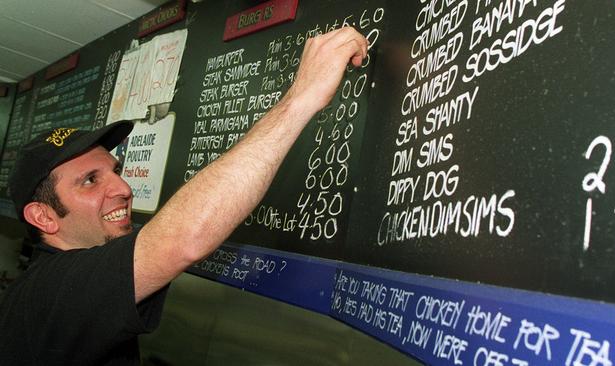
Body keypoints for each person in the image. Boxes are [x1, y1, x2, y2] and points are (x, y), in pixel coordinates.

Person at [0, 27, 368, 365]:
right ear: (43, 217)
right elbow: (183, 240)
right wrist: (302, 96)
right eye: (89, 181)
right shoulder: (51, 292)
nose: (123, 188)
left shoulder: (71, 288)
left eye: (115, 171)